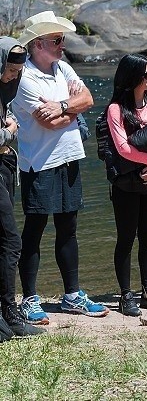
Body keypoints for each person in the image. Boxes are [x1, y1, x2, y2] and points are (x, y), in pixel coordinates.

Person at [13, 11, 109, 323]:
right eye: (57, 40)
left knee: (68, 229)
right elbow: (49, 123)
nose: (62, 45)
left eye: (62, 40)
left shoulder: (61, 67)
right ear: (37, 44)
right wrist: (69, 109)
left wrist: (64, 106)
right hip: (39, 164)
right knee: (34, 231)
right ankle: (29, 299)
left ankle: (72, 296)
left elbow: (88, 98)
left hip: (69, 158)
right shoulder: (24, 78)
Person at [105, 54, 147, 316]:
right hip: (126, 184)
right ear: (134, 78)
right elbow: (122, 148)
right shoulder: (115, 110)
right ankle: (125, 296)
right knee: (125, 239)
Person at [0, 37, 44, 337]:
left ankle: (7, 314)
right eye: (10, 70)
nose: (13, 76)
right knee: (11, 241)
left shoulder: (6, 90)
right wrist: (9, 130)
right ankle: (10, 313)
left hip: (4, 167)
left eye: (17, 71)